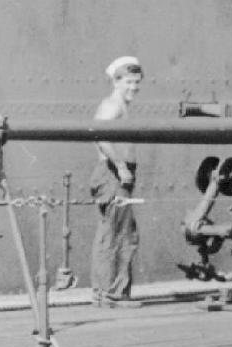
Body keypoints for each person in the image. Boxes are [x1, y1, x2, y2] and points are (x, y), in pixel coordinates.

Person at [89, 56, 143, 306]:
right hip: (113, 174)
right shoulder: (113, 106)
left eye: (137, 82)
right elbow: (100, 134)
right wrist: (120, 165)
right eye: (129, 82)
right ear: (117, 81)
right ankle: (112, 293)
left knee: (118, 231)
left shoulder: (119, 105)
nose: (134, 87)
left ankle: (110, 292)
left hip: (116, 174)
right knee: (118, 234)